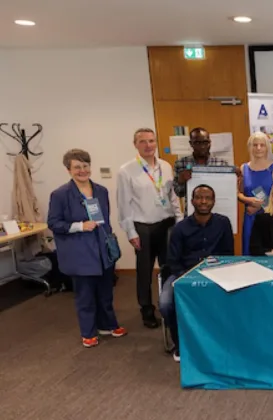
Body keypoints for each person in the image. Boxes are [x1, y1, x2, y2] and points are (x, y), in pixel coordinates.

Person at [48, 149, 127, 348]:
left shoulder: (101, 190)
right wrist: (79, 226)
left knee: (105, 292)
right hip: (79, 252)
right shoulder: (60, 195)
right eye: (77, 167)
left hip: (102, 249)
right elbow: (54, 223)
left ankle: (108, 325)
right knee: (85, 295)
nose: (82, 171)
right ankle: (88, 332)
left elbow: (105, 220)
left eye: (85, 166)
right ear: (68, 170)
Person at [117, 128, 183, 328]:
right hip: (142, 226)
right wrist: (130, 231)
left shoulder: (165, 166)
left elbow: (172, 195)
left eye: (151, 141)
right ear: (135, 144)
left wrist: (179, 219)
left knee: (168, 267)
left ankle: (168, 305)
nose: (148, 145)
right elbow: (123, 203)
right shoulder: (126, 170)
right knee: (144, 271)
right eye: (143, 141)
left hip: (167, 223)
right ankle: (146, 309)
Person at [160, 185, 233, 362]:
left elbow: (228, 254)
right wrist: (186, 278)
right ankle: (180, 344)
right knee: (166, 303)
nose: (203, 201)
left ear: (214, 201)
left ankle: (221, 343)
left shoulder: (223, 223)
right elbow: (173, 261)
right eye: (199, 197)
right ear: (192, 201)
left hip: (216, 274)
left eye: (208, 198)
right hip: (183, 274)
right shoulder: (180, 228)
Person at [237, 132, 273, 255]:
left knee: (267, 254)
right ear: (250, 147)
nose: (258, 148)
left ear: (267, 147)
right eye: (255, 145)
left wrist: (261, 206)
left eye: (262, 145)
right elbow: (239, 193)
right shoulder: (243, 168)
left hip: (270, 220)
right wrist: (249, 201)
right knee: (249, 255)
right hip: (250, 219)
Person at [173, 127, 230, 198]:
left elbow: (228, 190)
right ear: (191, 143)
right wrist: (181, 181)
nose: (202, 146)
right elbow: (179, 193)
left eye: (205, 142)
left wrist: (235, 178)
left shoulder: (222, 164)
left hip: (217, 207)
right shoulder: (181, 163)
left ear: (210, 142)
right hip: (193, 208)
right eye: (197, 143)